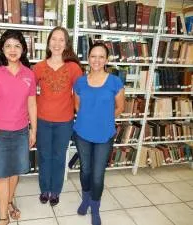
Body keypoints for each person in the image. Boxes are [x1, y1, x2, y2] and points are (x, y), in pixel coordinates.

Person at [0, 30, 37, 225]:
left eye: (17, 46)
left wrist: (33, 130)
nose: (12, 50)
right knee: (1, 175)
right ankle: (3, 217)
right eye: (8, 46)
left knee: (15, 172)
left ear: (23, 49)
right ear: (2, 49)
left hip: (21, 131)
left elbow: (32, 104)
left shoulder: (29, 74)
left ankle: (10, 201)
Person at [73, 42, 125, 225]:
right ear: (88, 59)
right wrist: (90, 117)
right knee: (85, 170)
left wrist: (103, 119)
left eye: (101, 56)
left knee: (97, 174)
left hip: (104, 135)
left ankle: (95, 207)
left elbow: (120, 107)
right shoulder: (79, 81)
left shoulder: (115, 82)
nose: (96, 60)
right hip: (82, 134)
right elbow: (77, 106)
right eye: (93, 56)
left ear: (106, 60)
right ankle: (85, 199)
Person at [33, 26, 83, 206]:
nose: (57, 43)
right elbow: (29, 93)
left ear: (66, 44)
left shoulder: (73, 68)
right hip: (43, 120)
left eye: (61, 40)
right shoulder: (39, 67)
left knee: (59, 156)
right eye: (54, 39)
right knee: (44, 156)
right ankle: (44, 189)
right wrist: (40, 100)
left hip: (64, 121)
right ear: (48, 42)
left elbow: (79, 94)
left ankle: (55, 191)